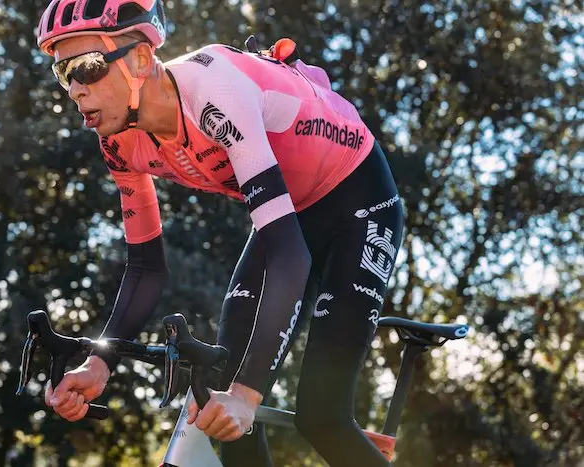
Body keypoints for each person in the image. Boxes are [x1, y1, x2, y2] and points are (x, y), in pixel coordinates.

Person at [37, 0, 403, 465]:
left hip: (357, 197)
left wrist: (248, 395)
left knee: (321, 415)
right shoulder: (118, 140)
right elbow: (146, 267)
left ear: (142, 59)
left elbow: (290, 256)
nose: (74, 89)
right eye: (63, 72)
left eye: (87, 67)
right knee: (217, 400)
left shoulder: (214, 92)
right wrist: (99, 363)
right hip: (290, 210)